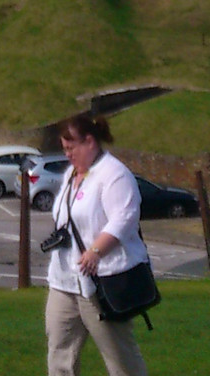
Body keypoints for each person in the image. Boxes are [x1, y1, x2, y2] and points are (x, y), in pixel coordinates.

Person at [44, 111, 150, 376]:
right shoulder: (71, 174)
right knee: (59, 354)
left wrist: (95, 251)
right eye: (64, 148)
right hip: (64, 281)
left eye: (71, 148)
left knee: (120, 359)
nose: (67, 154)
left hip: (101, 283)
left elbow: (124, 219)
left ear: (89, 142)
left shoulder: (114, 174)